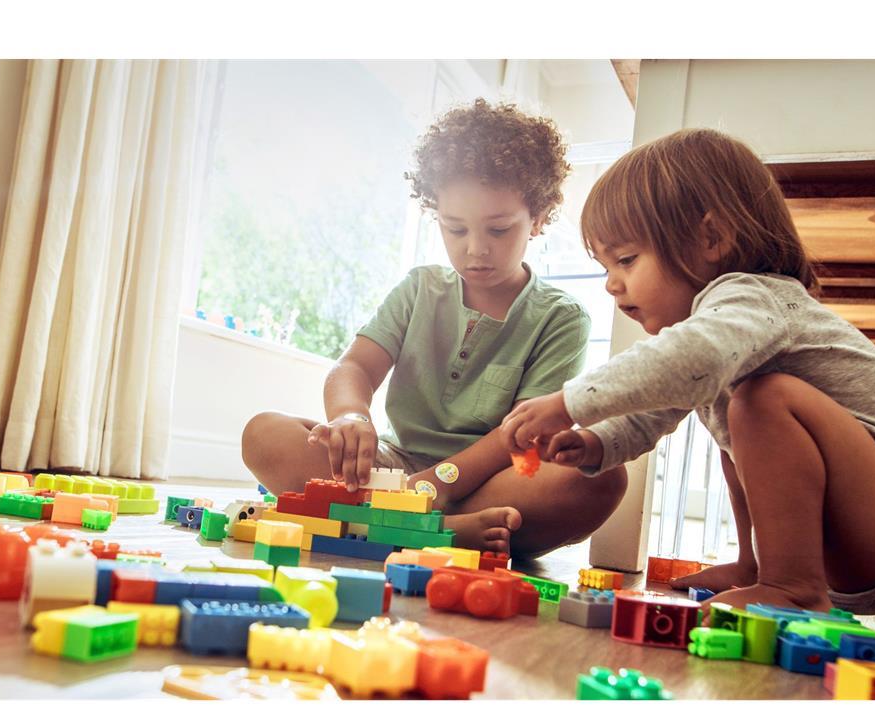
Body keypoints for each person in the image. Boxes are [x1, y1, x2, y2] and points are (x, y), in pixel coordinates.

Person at [501, 128, 875, 614]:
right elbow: (655, 407)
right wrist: (596, 442)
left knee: (762, 399)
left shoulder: (754, 298)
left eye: (628, 260)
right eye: (607, 267)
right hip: (859, 537)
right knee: (738, 424)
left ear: (712, 238)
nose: (613, 284)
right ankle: (757, 568)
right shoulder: (718, 336)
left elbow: (687, 360)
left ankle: (790, 585)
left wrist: (568, 401)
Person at [242, 99, 628, 556]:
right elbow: (355, 369)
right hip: (391, 471)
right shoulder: (419, 288)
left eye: (499, 230)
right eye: (455, 229)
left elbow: (522, 438)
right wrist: (350, 417)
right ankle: (435, 530)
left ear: (539, 218)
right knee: (263, 433)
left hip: (486, 485)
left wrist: (440, 483)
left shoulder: (561, 318)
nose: (475, 250)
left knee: (599, 479)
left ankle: (379, 524)